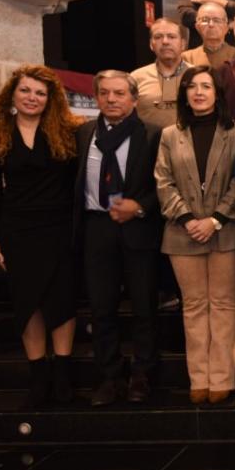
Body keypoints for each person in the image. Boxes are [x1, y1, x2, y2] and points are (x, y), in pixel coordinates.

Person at [0, 66, 82, 405]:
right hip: (17, 230)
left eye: (40, 93)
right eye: (26, 91)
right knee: (28, 302)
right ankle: (39, 375)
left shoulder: (68, 131)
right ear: (13, 94)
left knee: (60, 298)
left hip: (59, 227)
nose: (32, 98)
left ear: (50, 98)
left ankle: (64, 374)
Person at [75, 71, 164, 406]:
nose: (112, 99)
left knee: (144, 306)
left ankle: (143, 374)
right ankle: (110, 376)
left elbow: (165, 186)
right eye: (105, 94)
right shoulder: (84, 134)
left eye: (119, 93)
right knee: (102, 308)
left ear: (134, 99)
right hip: (97, 228)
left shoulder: (153, 135)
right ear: (96, 98)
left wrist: (140, 207)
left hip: (138, 228)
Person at [155, 65, 235, 406]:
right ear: (184, 94)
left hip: (226, 229)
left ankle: (222, 378)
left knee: (221, 304)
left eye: (206, 86)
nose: (199, 92)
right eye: (192, 87)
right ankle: (199, 378)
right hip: (182, 231)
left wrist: (216, 219)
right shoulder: (169, 134)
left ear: (217, 94)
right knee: (193, 306)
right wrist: (189, 218)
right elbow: (162, 181)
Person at [131, 18, 191, 130]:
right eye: (158, 37)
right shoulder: (136, 77)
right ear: (151, 44)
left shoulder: (197, 75)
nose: (165, 42)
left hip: (188, 144)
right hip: (147, 145)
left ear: (183, 44)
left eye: (171, 37)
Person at [184, 2, 235, 72]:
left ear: (226, 27)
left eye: (217, 20)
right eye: (205, 20)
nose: (211, 25)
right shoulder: (187, 57)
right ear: (197, 27)